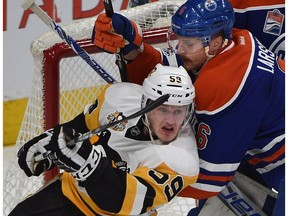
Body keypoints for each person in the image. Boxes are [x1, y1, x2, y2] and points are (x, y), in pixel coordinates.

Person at [92, 0, 285, 215]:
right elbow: (171, 73)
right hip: (266, 159)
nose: (180, 49)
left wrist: (129, 178)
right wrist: (134, 51)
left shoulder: (225, 83)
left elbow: (209, 181)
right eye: (178, 40)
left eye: (188, 44)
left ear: (215, 42)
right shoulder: (235, 41)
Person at [9, 64, 199, 216]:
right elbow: (81, 126)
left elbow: (120, 201)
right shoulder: (119, 98)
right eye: (163, 109)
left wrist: (86, 164)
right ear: (146, 105)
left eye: (178, 111)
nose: (171, 121)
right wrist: (52, 141)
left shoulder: (182, 159)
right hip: (71, 194)